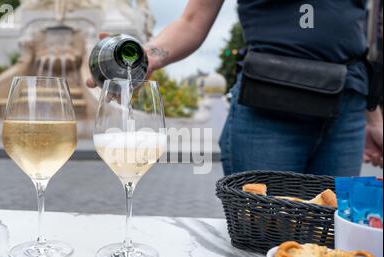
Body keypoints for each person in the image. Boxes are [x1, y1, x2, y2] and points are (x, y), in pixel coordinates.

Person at [87, 0, 383, 176]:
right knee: (264, 237)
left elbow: (359, 35)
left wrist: (373, 116)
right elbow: (192, 21)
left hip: (348, 106)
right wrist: (146, 56)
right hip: (269, 107)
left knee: (333, 237)